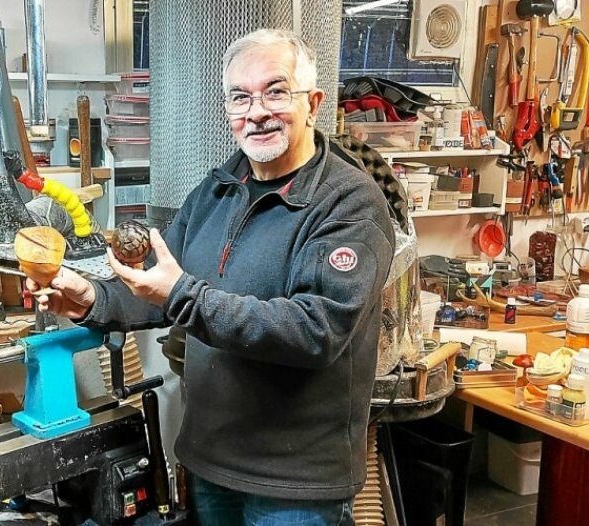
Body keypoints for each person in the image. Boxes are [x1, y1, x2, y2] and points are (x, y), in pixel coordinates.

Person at [31, 29, 396, 526]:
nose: (257, 111)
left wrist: (182, 294)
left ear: (312, 103)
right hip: (210, 460)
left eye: (275, 91)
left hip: (295, 485)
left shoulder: (348, 203)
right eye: (240, 97)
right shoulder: (218, 188)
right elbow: (159, 285)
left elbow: (315, 331)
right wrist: (92, 298)